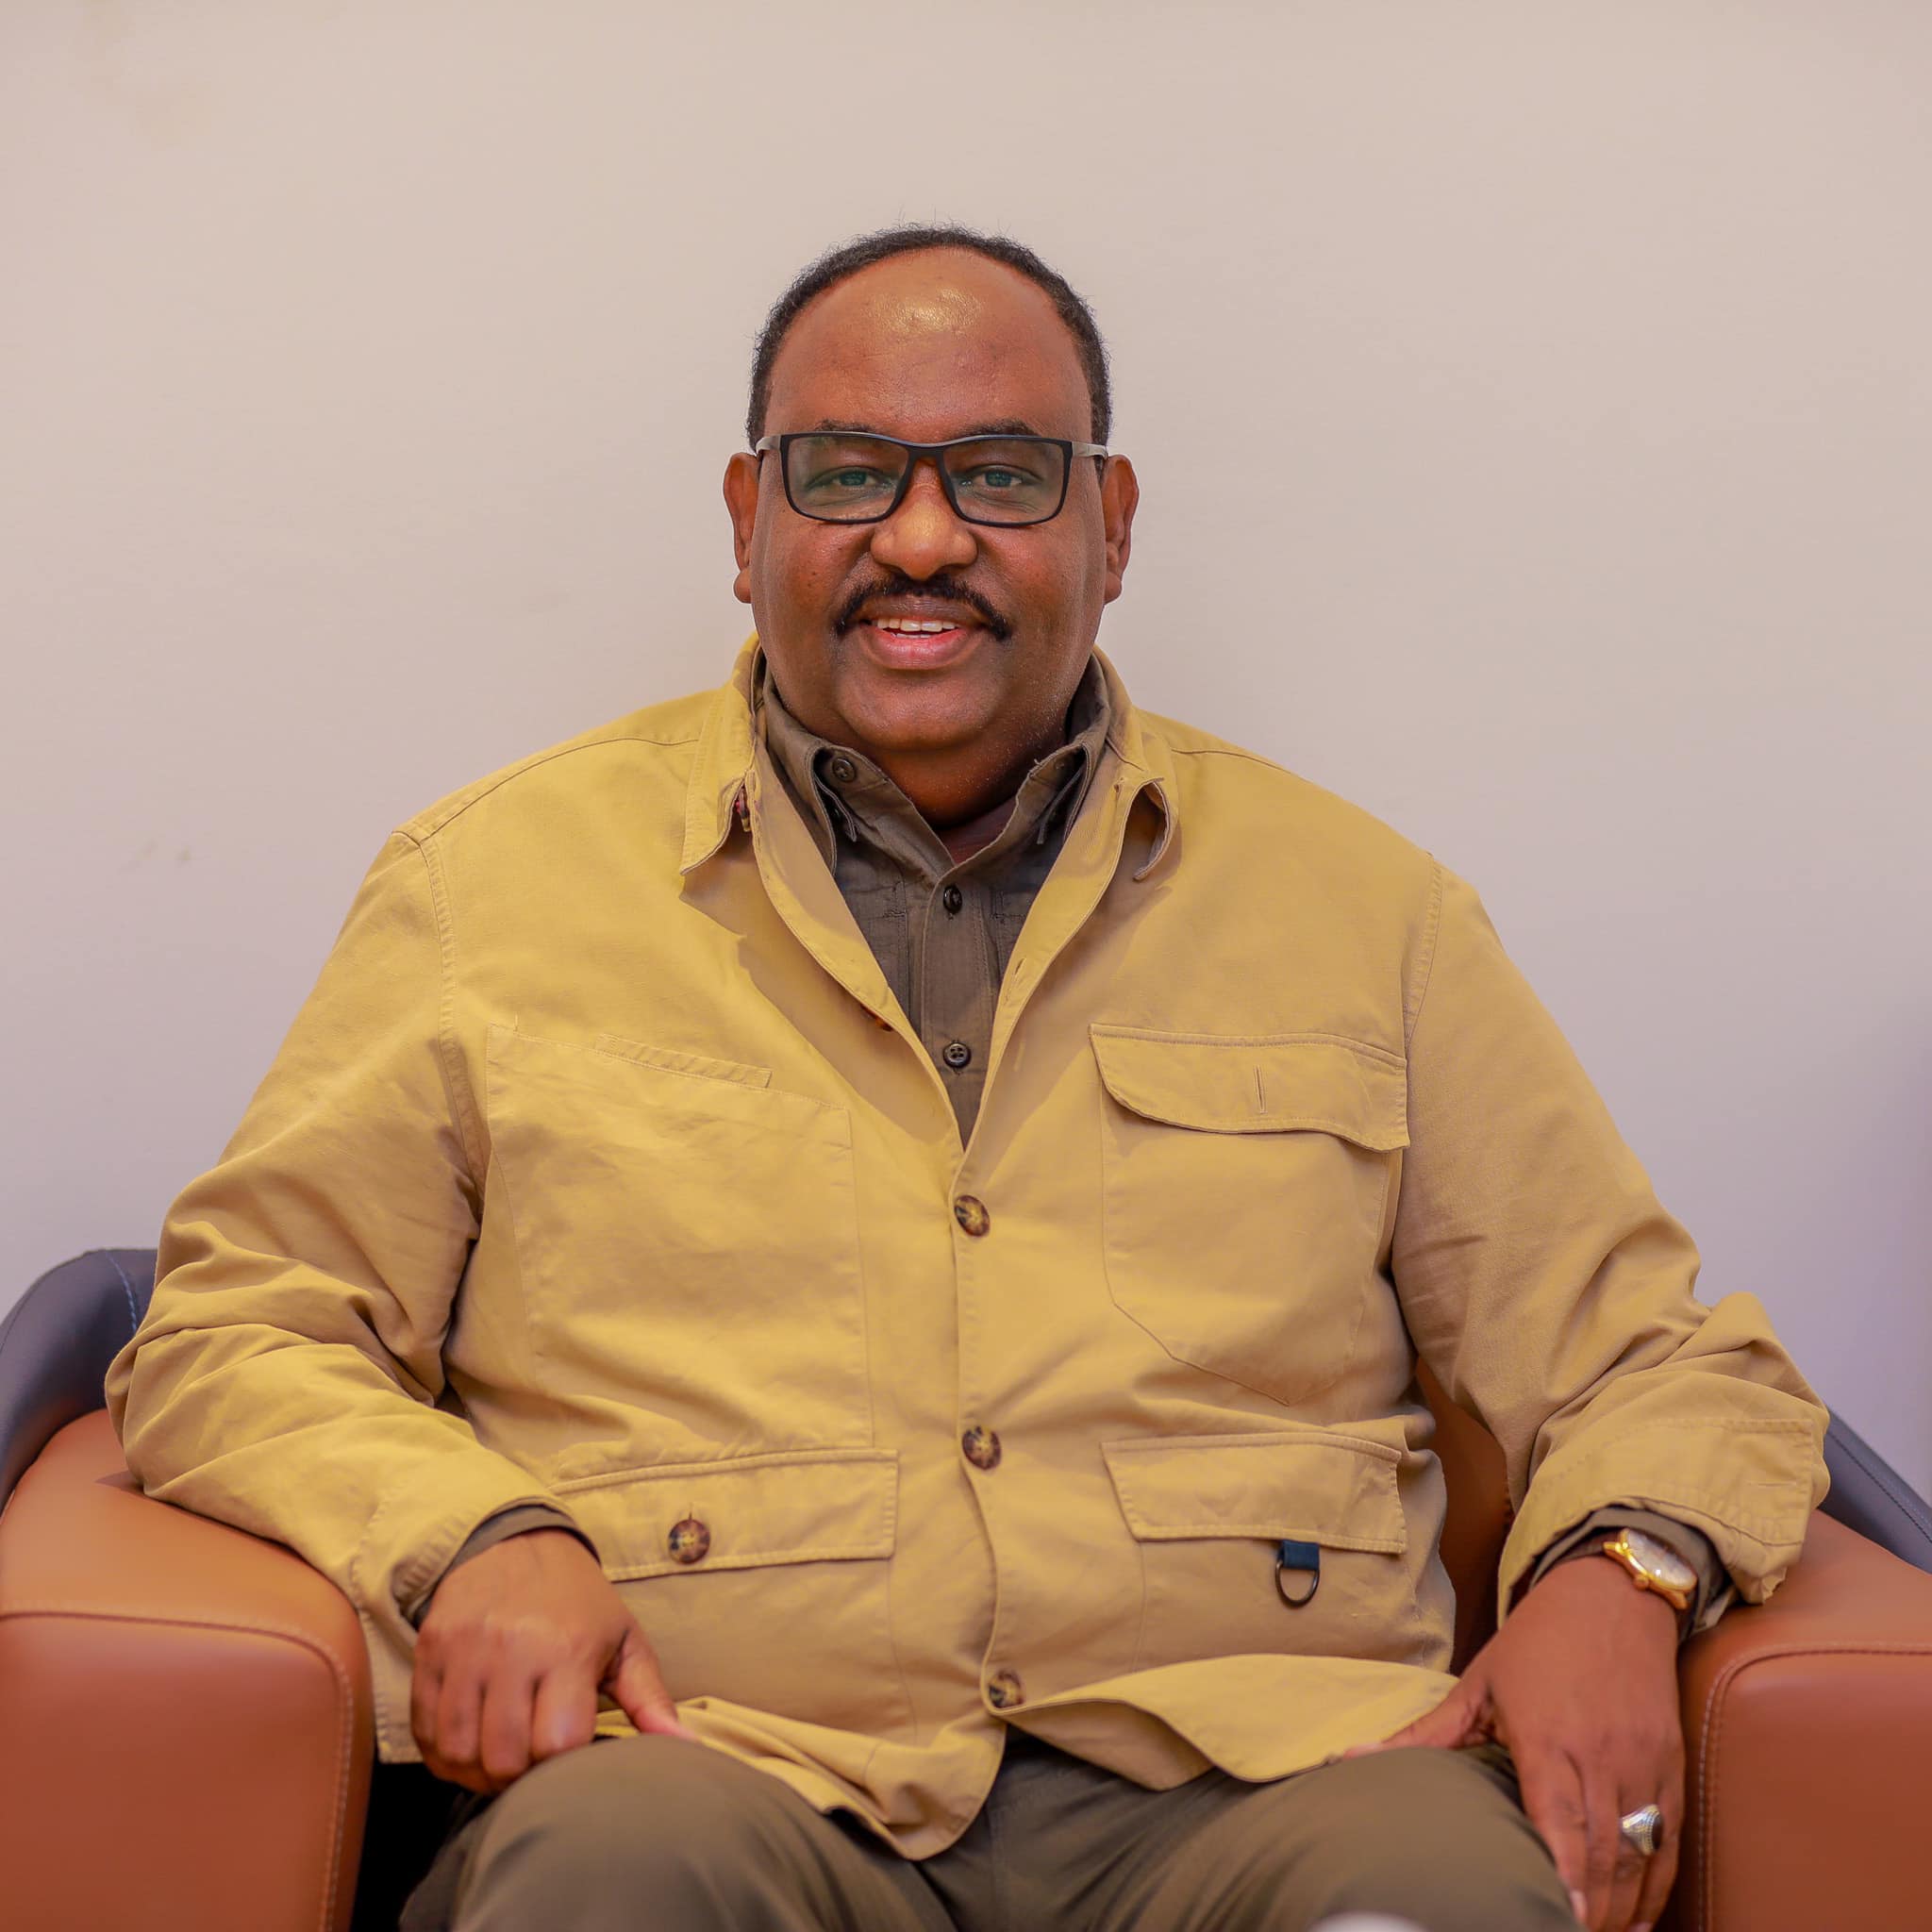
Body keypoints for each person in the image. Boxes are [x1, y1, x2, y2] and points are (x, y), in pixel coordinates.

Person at [106, 225, 1828, 1932]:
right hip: (713, 1767)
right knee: (602, 1885)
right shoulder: (485, 890)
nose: (920, 537)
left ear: (1114, 524)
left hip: (1280, 1789)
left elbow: (1650, 1361)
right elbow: (238, 1334)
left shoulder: (1372, 916)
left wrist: (1628, 1569)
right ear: (744, 520)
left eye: (1002, 475)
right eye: (848, 471)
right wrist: (472, 1537)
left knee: (1440, 1903)